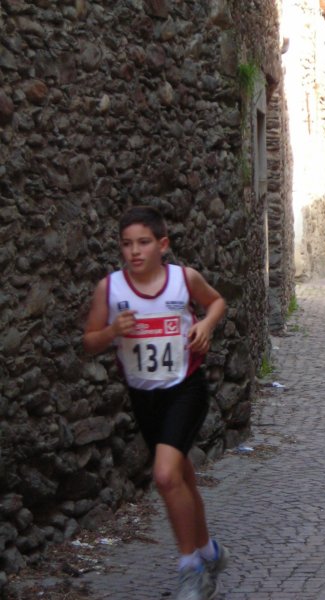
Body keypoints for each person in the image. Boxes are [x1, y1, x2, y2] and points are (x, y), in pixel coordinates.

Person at [83, 206, 230, 600]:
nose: (135, 251)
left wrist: (205, 324)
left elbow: (217, 302)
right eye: (127, 244)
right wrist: (112, 331)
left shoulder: (183, 279)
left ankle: (190, 569)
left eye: (143, 243)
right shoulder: (110, 289)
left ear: (162, 245)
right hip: (144, 396)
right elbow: (90, 341)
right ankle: (209, 552)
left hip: (185, 388)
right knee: (181, 477)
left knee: (165, 476)